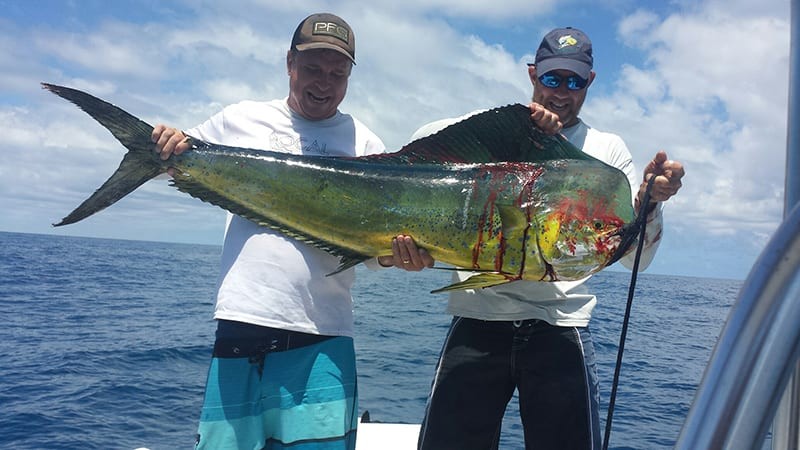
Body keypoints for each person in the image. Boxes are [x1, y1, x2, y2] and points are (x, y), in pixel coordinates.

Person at [405, 27, 685, 450]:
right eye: (552, 79)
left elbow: (635, 262)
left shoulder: (606, 153)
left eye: (574, 82)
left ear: (589, 82)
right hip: (478, 319)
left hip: (559, 326)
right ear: (533, 75)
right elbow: (424, 144)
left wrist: (649, 205)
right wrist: (518, 125)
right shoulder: (499, 135)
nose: (561, 92)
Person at [151, 13, 421, 450]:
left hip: (324, 335)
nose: (324, 82)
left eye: (338, 73)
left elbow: (375, 252)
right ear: (289, 63)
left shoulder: (366, 145)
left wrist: (402, 256)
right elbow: (177, 165)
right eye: (313, 68)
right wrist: (165, 143)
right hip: (243, 321)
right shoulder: (240, 119)